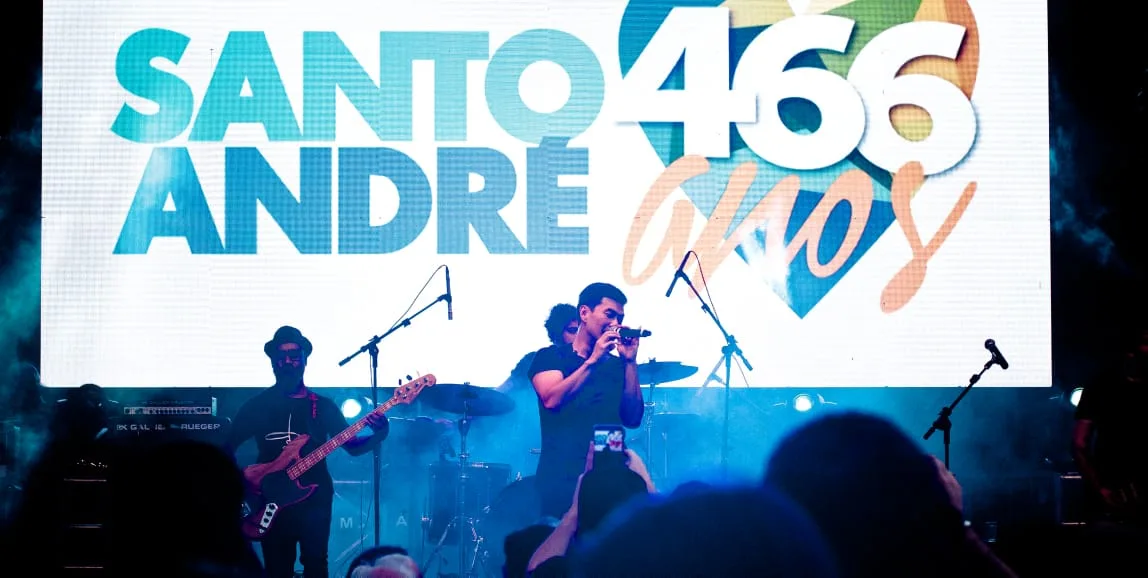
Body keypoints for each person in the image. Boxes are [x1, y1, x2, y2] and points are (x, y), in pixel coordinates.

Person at [227, 326, 390, 578]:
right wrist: (244, 490)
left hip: (314, 498)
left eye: (294, 355)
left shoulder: (322, 406)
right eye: (281, 356)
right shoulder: (256, 406)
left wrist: (380, 433)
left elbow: (353, 447)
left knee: (316, 565)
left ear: (304, 360)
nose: (287, 362)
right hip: (269, 500)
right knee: (277, 569)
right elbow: (226, 449)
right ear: (272, 361)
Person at [528, 283, 644, 518]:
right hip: (561, 478)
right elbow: (551, 400)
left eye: (620, 318)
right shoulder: (550, 357)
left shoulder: (616, 366)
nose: (615, 323)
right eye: (609, 314)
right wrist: (593, 360)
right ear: (584, 313)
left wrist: (630, 362)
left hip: (608, 479)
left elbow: (632, 418)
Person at [1073, 327, 1148, 525]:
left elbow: (1079, 443)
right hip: (1115, 493)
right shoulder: (1102, 385)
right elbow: (1079, 444)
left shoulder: (1100, 384)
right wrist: (1100, 489)